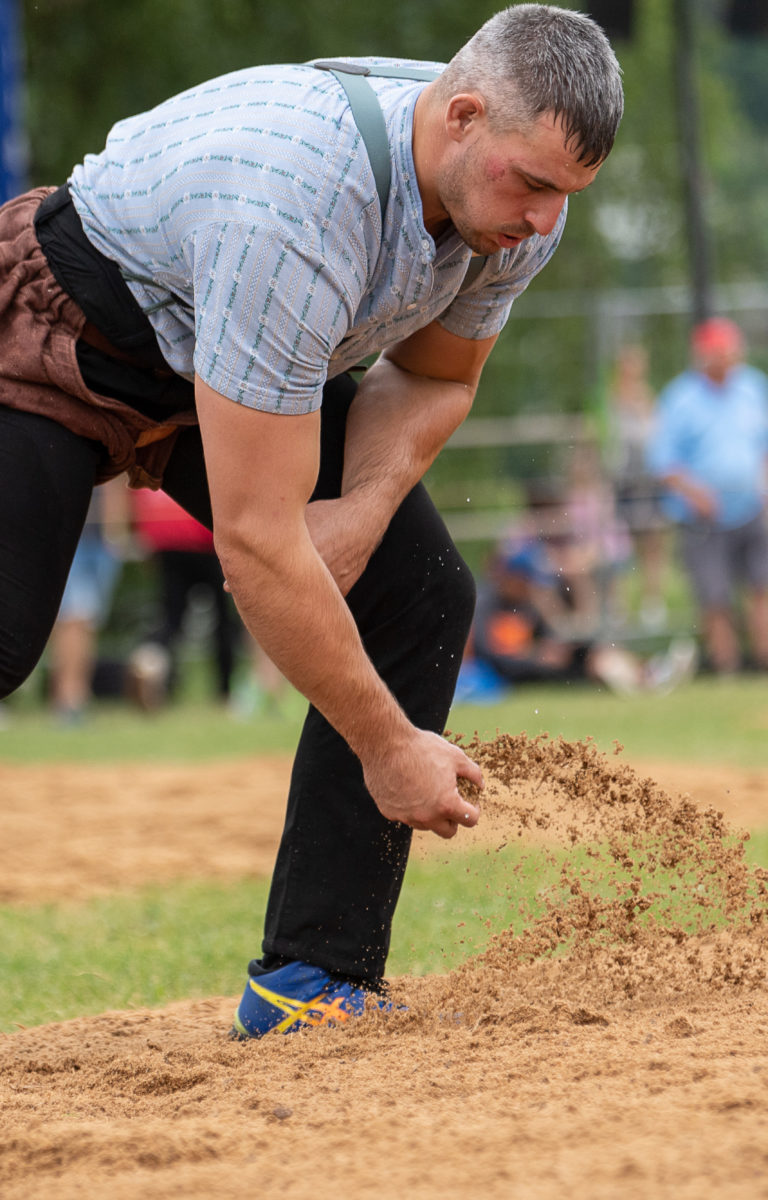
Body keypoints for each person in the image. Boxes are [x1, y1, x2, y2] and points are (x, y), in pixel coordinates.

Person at [0, 5, 624, 1037]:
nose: (546, 221)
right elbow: (255, 541)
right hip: (59, 329)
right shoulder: (304, 194)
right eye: (536, 185)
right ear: (461, 116)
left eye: (570, 195)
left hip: (207, 356)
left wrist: (364, 511)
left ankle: (310, 979)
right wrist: (389, 744)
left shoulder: (504, 207)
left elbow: (432, 380)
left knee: (420, 588)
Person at [648, 318, 768, 675]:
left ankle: (762, 664)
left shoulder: (753, 388)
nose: (728, 357)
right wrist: (695, 493)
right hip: (702, 515)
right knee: (715, 598)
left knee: (762, 588)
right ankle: (727, 668)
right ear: (702, 356)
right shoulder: (680, 398)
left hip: (752, 507)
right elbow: (663, 462)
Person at [470, 538, 697, 695]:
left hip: (546, 664)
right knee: (592, 657)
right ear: (511, 578)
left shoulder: (528, 603)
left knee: (591, 651)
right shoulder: (486, 605)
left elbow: (548, 634)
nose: (528, 586)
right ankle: (649, 677)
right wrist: (534, 657)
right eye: (524, 581)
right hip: (515, 673)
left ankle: (647, 675)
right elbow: (488, 651)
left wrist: (551, 647)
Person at [128, 487, 241, 708]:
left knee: (170, 621)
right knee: (223, 622)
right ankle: (224, 692)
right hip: (206, 543)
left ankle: (151, 668)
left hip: (167, 540)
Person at [48, 476, 129, 724]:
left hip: (103, 543)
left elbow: (119, 483)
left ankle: (77, 695)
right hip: (71, 541)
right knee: (74, 619)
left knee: (86, 623)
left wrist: (116, 534)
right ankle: (68, 698)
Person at [605, 343, 669, 630]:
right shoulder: (609, 398)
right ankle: (618, 606)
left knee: (652, 542)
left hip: (646, 478)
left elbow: (655, 433)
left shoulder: (648, 398)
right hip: (621, 479)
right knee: (618, 544)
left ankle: (651, 602)